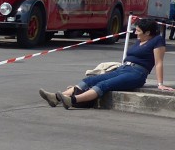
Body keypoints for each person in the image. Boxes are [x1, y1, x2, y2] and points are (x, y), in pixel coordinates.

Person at [40, 18, 171, 108]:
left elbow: (159, 62)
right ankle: (56, 98)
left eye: (138, 31)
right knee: (91, 80)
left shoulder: (157, 41)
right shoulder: (139, 41)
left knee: (104, 84)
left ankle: (72, 100)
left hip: (137, 73)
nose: (135, 32)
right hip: (123, 69)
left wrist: (160, 84)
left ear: (148, 32)